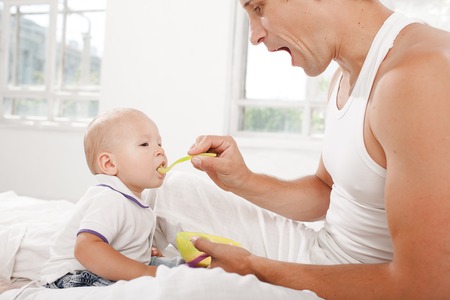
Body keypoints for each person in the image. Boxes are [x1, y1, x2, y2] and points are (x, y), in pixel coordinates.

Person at [178, 0, 450, 299]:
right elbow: (325, 192)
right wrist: (243, 180)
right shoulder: (344, 75)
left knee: (170, 290)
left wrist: (255, 270)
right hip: (321, 253)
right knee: (172, 191)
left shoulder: (421, 76)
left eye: (258, 8)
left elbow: (426, 288)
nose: (254, 35)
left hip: (354, 283)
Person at [40, 108, 183, 288]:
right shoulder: (109, 198)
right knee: (142, 287)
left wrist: (141, 254)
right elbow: (86, 249)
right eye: (145, 144)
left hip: (100, 270)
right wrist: (145, 272)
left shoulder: (135, 202)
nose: (160, 151)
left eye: (160, 144)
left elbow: (121, 242)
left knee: (179, 269)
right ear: (109, 163)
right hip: (75, 275)